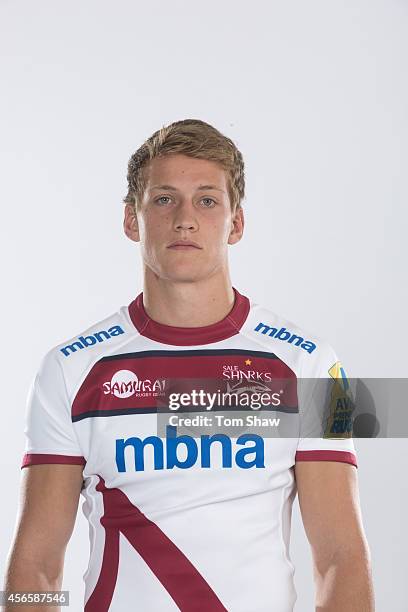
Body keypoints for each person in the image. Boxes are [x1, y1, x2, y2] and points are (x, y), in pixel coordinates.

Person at [4, 119, 374, 611]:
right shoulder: (69, 369)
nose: (184, 219)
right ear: (131, 220)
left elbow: (340, 557)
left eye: (206, 200)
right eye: (163, 199)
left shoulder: (311, 362)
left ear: (236, 222)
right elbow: (35, 567)